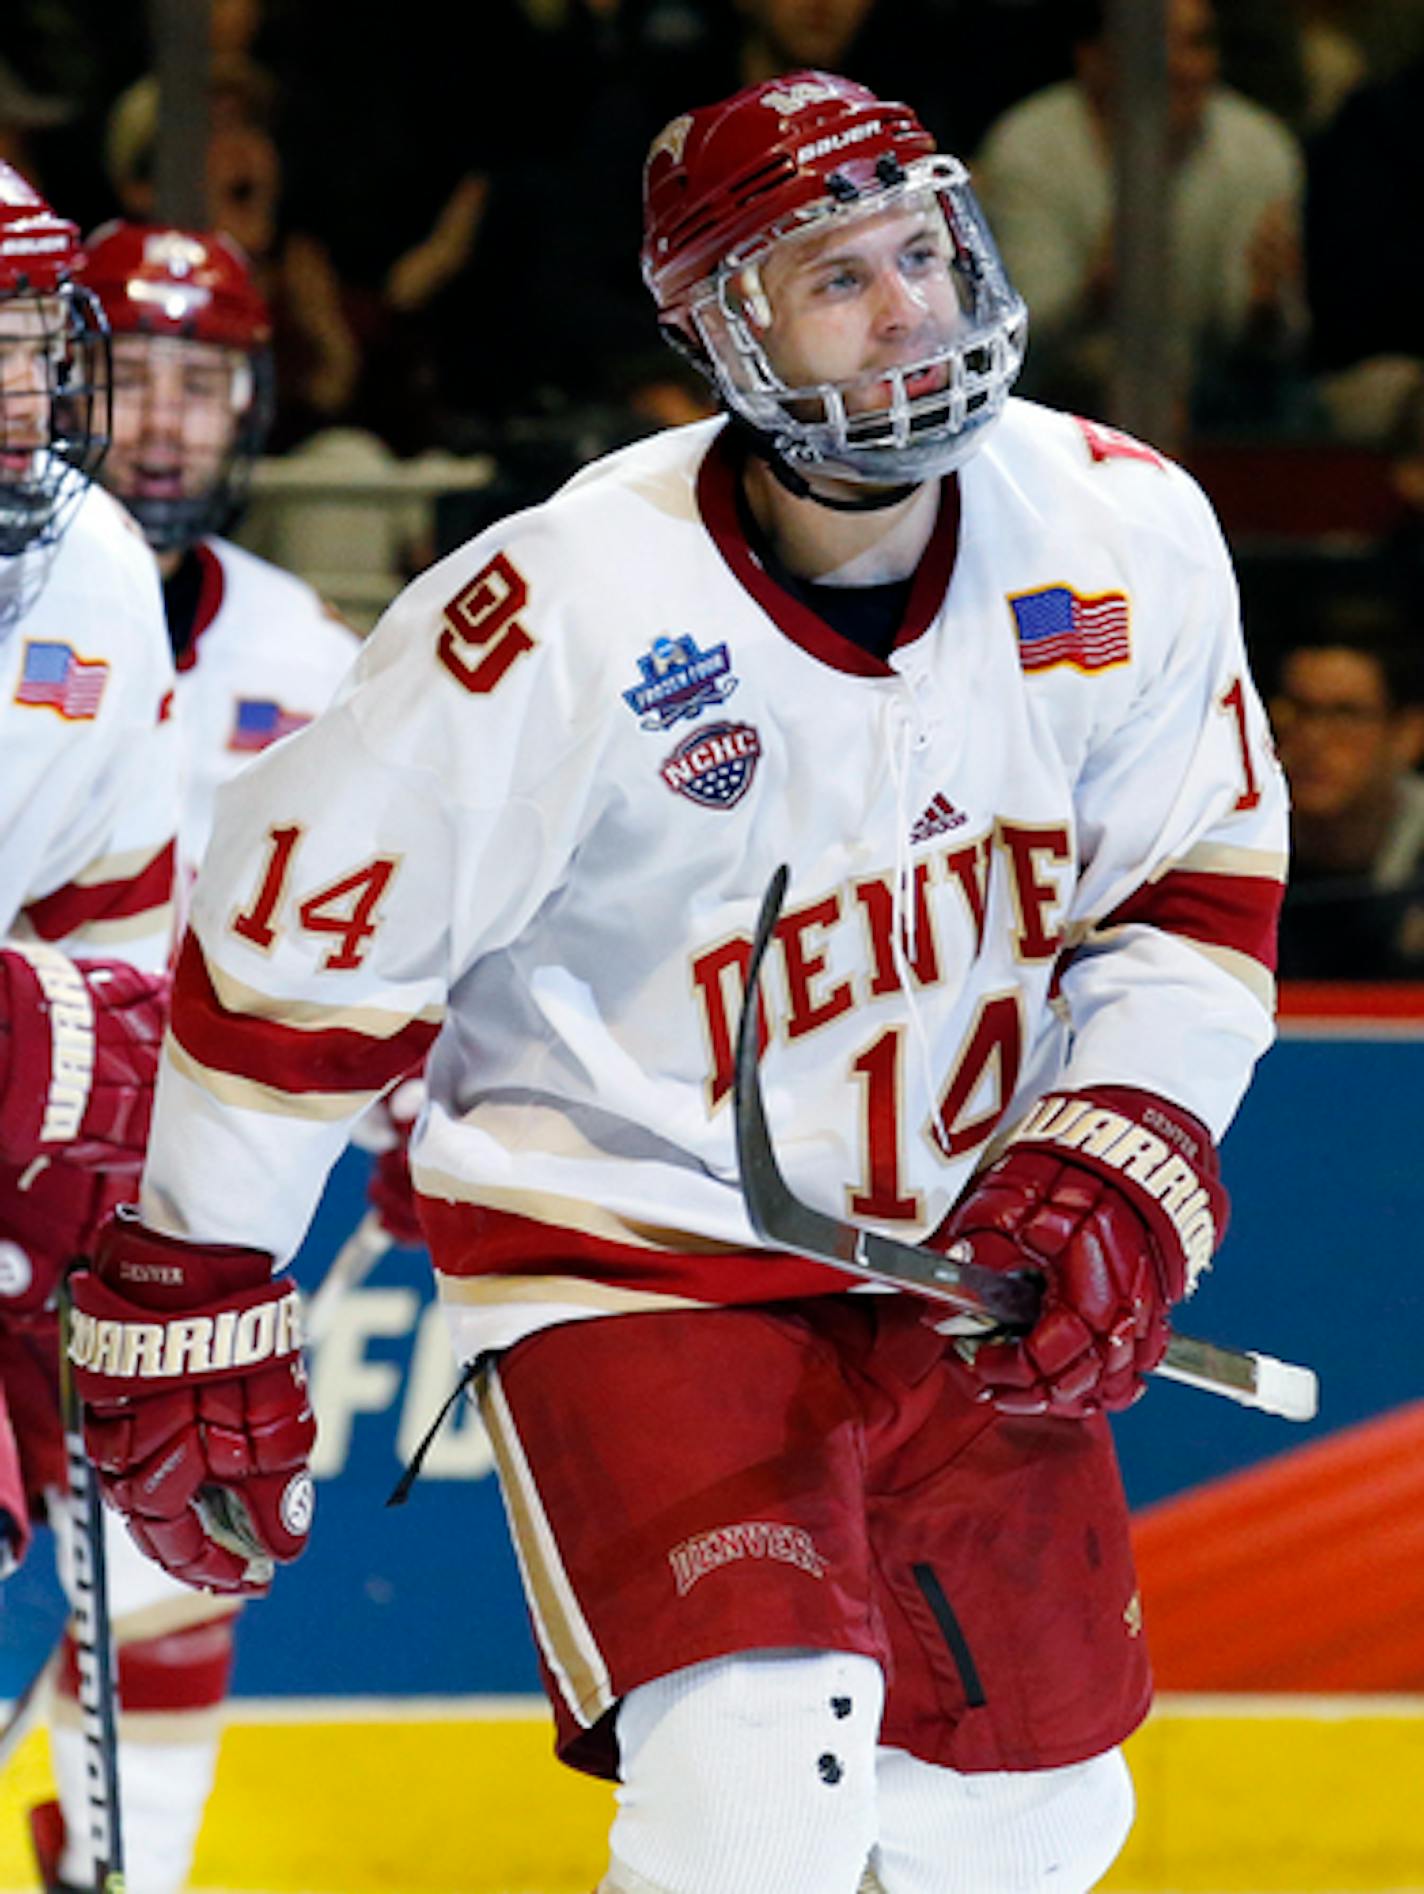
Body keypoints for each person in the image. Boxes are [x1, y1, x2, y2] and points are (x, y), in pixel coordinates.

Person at [68, 72, 1287, 1894]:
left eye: (919, 252)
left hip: (962, 1253)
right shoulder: (549, 615)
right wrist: (198, 1266)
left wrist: (1116, 1138)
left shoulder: (1122, 524)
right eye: (836, 279)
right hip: (632, 1252)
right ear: (724, 332)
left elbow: (1192, 888)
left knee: (1029, 1820)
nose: (911, 311)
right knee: (747, 1794)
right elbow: (291, 968)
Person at [12, 221, 369, 1894]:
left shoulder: (305, 648)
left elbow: (384, 912)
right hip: (42, 1114)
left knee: (174, 1554)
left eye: (197, 381)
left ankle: (120, 1866)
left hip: (160, 1161)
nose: (156, 419)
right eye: (128, 372)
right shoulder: (66, 578)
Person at [0, 154, 178, 1865]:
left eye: (29, 332)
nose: (17, 382)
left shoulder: (94, 572)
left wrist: (83, 1107)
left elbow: (111, 914)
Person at [973, 0, 1305, 429]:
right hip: (1062, 391)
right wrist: (1095, 292)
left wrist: (1265, 311)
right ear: (1091, 56)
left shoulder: (1260, 149)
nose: (1181, 67)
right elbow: (1012, 339)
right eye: (1157, 43)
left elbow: (1264, 339)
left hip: (1217, 388)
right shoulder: (1028, 148)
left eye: (1197, 44)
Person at [1269, 601, 1424, 978]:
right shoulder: (1223, 838)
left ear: (1407, 734)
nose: (1314, 739)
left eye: (1345, 714)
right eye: (1298, 710)